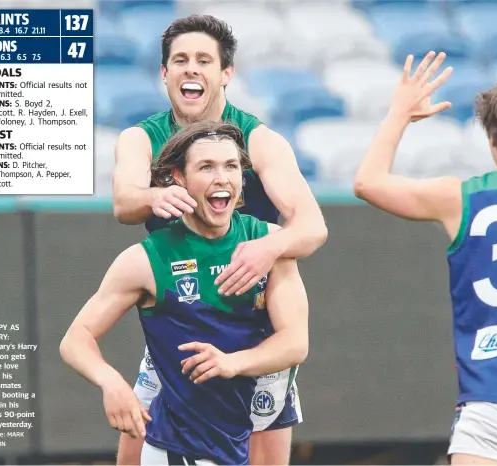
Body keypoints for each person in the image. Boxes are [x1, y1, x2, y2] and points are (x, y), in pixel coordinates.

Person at [112, 15, 327, 465]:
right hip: (184, 322)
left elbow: (312, 228)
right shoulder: (142, 138)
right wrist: (155, 194)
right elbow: (124, 203)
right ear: (164, 73)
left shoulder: (259, 139)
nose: (191, 69)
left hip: (255, 327)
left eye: (204, 60)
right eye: (180, 60)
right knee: (135, 443)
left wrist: (267, 247)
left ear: (225, 74)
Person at [353, 48, 497, 465]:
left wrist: (399, 112)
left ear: (491, 139)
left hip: (491, 405)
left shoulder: (460, 196)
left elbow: (367, 182)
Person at [60, 121, 309, 466]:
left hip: (232, 444)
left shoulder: (267, 242)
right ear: (179, 178)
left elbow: (295, 342)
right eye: (207, 167)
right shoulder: (147, 259)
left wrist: (231, 363)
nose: (222, 177)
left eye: (231, 166)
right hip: (181, 451)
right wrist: (112, 383)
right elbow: (75, 339)